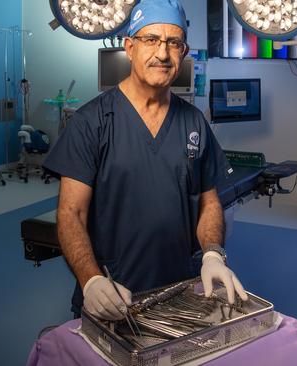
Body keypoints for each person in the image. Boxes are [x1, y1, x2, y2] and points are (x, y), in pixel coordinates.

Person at [43, 0, 248, 321]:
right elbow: (71, 213)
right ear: (129, 47)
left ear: (183, 52)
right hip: (115, 295)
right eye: (151, 40)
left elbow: (209, 202)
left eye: (173, 43)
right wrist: (91, 280)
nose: (162, 54)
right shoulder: (92, 122)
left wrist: (212, 255)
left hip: (183, 293)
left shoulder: (193, 122)